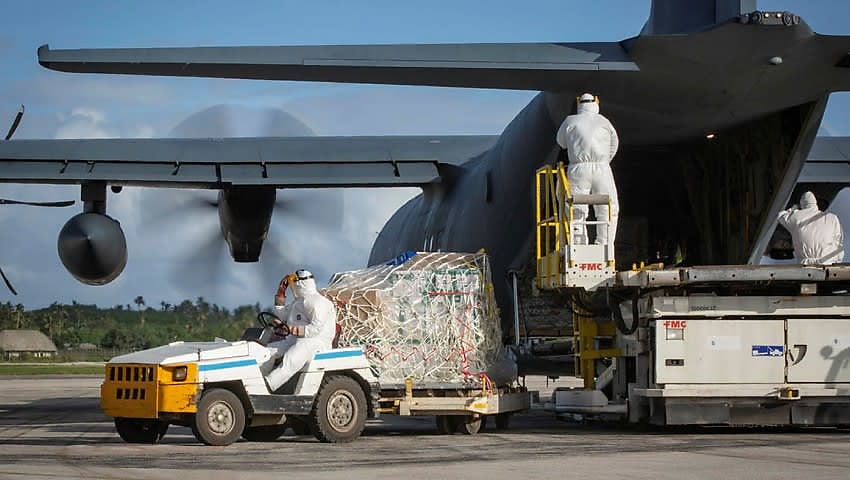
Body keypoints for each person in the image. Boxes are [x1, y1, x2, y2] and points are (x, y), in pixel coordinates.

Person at [556, 93, 620, 246]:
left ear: (579, 103)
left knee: (576, 208)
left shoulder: (570, 120)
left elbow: (561, 142)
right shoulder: (604, 121)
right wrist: (604, 161)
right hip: (602, 168)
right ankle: (605, 245)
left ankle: (579, 245)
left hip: (578, 168)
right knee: (608, 208)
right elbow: (614, 144)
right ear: (596, 102)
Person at [264, 269, 337, 392]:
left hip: (317, 342)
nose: (291, 286)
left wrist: (290, 329)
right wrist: (281, 292)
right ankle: (256, 379)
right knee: (268, 351)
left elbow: (315, 329)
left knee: (294, 355)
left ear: (301, 283)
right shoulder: (297, 303)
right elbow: (282, 316)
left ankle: (268, 385)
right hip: (295, 339)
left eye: (293, 282)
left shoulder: (318, 302)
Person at [777, 191, 844, 265]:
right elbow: (839, 240)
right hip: (828, 262)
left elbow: (780, 216)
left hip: (806, 263)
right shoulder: (832, 217)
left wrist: (793, 208)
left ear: (802, 204)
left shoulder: (796, 216)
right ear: (815, 203)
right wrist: (838, 260)